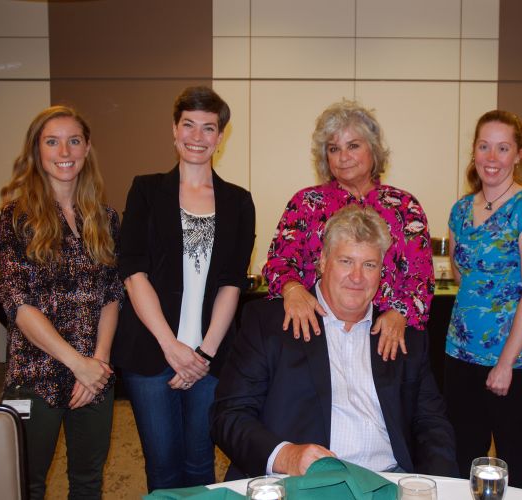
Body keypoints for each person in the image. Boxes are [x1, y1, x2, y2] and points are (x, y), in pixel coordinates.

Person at [211, 205, 458, 480]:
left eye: (369, 265)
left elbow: (432, 425)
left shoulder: (402, 336)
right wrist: (285, 455)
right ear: (323, 261)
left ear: (381, 271)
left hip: (387, 480)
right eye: (346, 261)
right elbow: (230, 415)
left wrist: (439, 486)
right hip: (298, 484)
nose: (357, 277)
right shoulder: (269, 324)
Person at [113, 86, 255, 491]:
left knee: (200, 468)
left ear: (220, 137)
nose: (197, 136)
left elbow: (232, 281)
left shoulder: (239, 201)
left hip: (209, 361)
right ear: (174, 131)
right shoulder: (145, 189)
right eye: (188, 125)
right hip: (150, 354)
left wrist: (203, 352)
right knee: (162, 471)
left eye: (208, 128)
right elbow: (133, 272)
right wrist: (171, 346)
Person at [0, 105, 122, 499]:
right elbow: (18, 302)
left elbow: (112, 295)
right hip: (35, 376)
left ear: (86, 150)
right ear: (37, 151)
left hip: (94, 378)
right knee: (25, 482)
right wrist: (77, 363)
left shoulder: (104, 217)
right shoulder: (16, 218)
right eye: (52, 141)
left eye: (74, 140)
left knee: (88, 482)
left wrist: (97, 362)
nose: (64, 150)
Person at [262, 100, 433, 361]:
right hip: (315, 334)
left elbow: (421, 279)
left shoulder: (406, 207)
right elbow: (278, 262)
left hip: (385, 339)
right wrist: (292, 290)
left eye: (353, 145)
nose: (343, 157)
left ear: (373, 150)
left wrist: (400, 313)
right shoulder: (305, 204)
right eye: (334, 149)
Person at [443, 110, 522, 488]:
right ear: (473, 151)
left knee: (513, 463)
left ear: (519, 153)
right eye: (484, 146)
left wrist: (504, 364)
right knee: (462, 459)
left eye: (502, 148)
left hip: (513, 360)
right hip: (460, 355)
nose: (492, 158)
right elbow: (462, 275)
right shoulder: (459, 210)